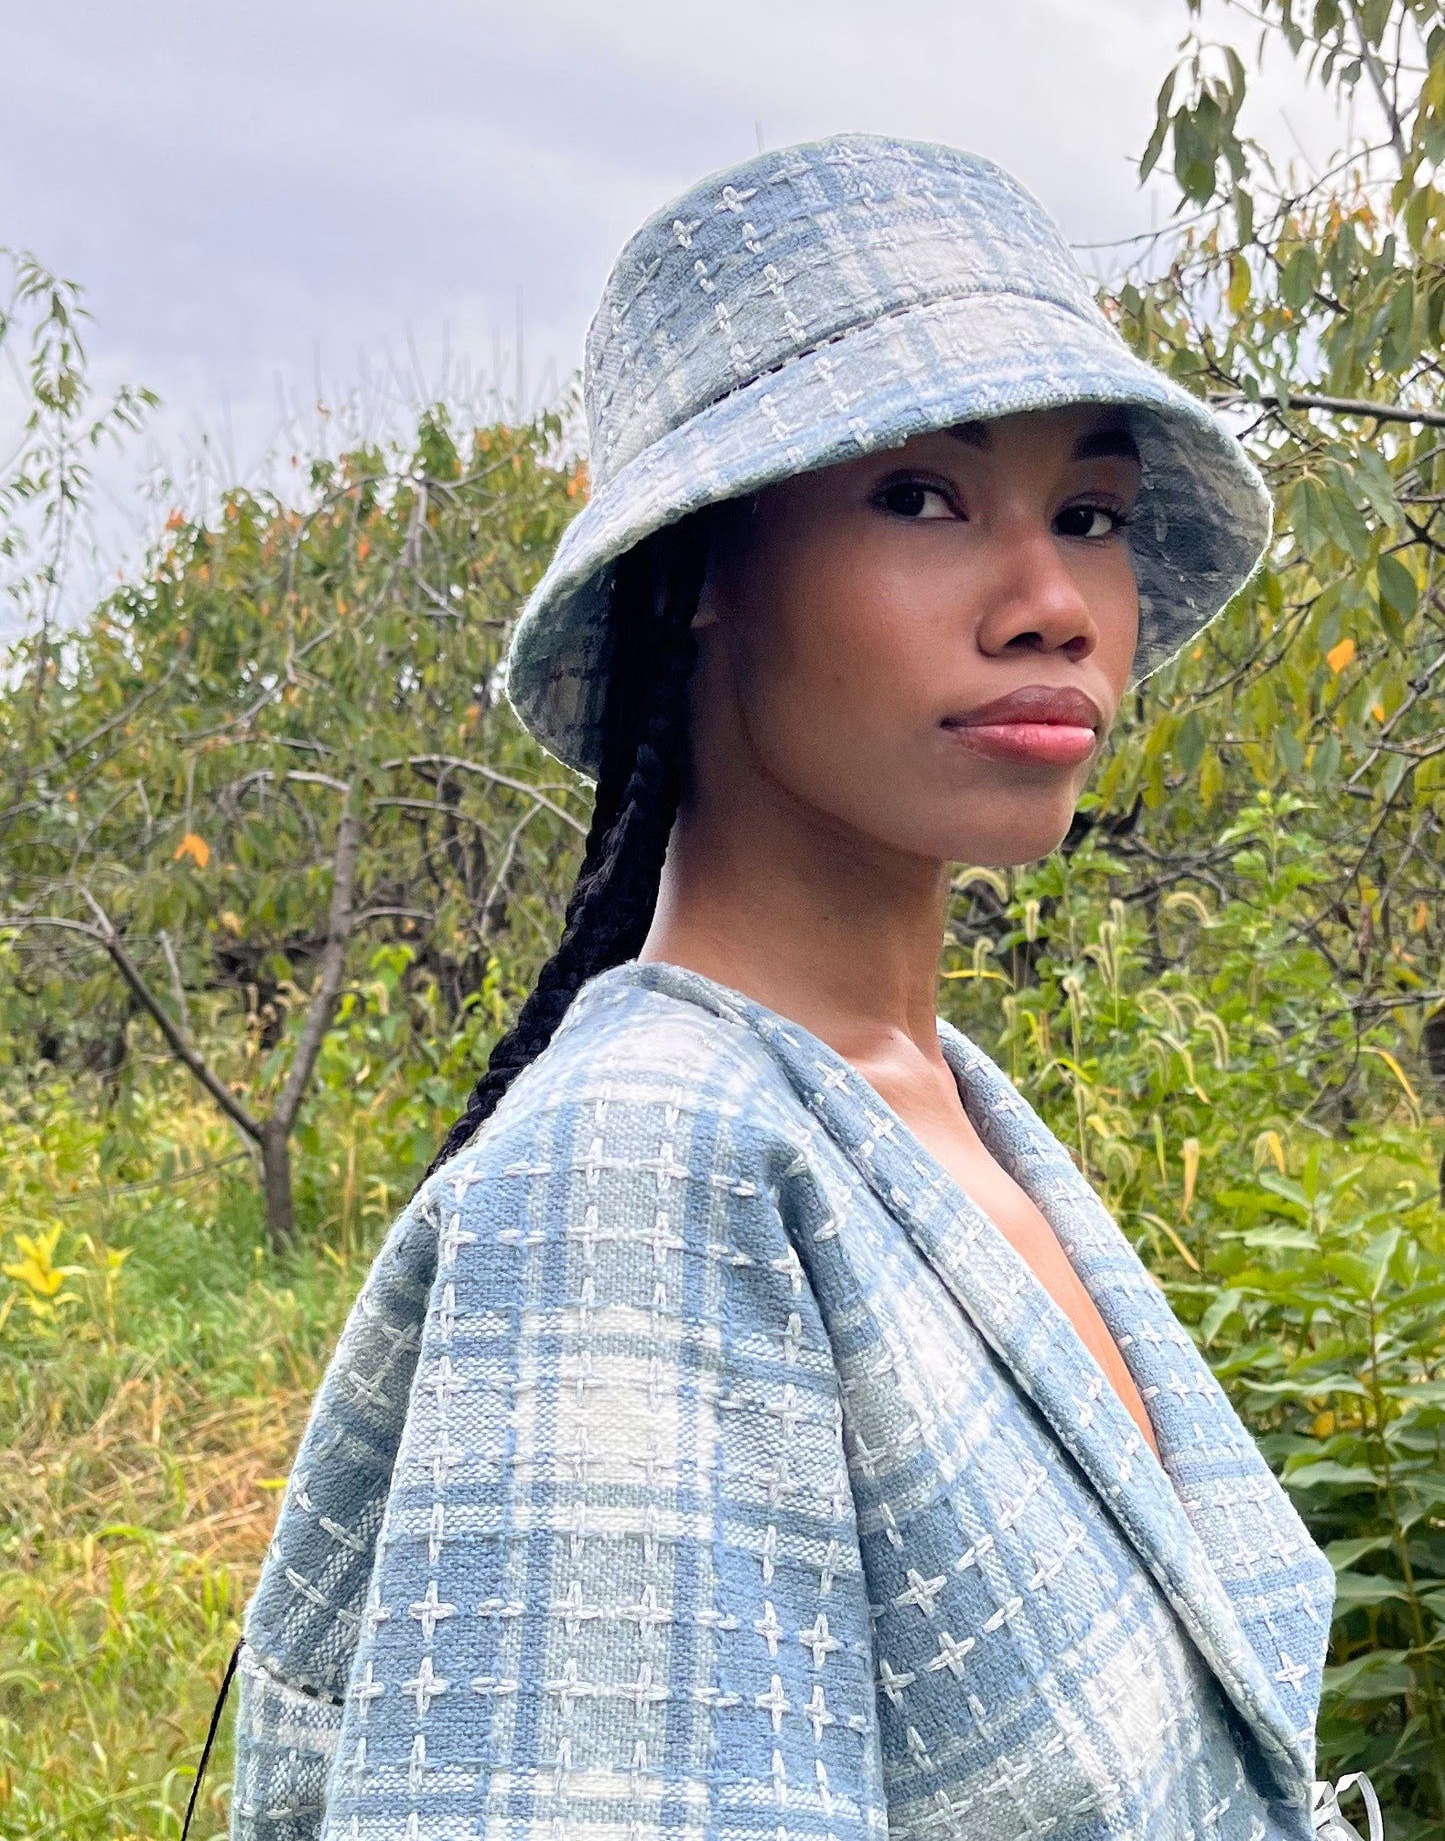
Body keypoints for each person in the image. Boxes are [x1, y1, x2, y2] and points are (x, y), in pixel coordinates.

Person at [227, 137, 1378, 1841]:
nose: (1053, 602)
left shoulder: (942, 1110)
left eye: (1091, 514)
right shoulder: (639, 1178)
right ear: (697, 575)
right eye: (921, 495)